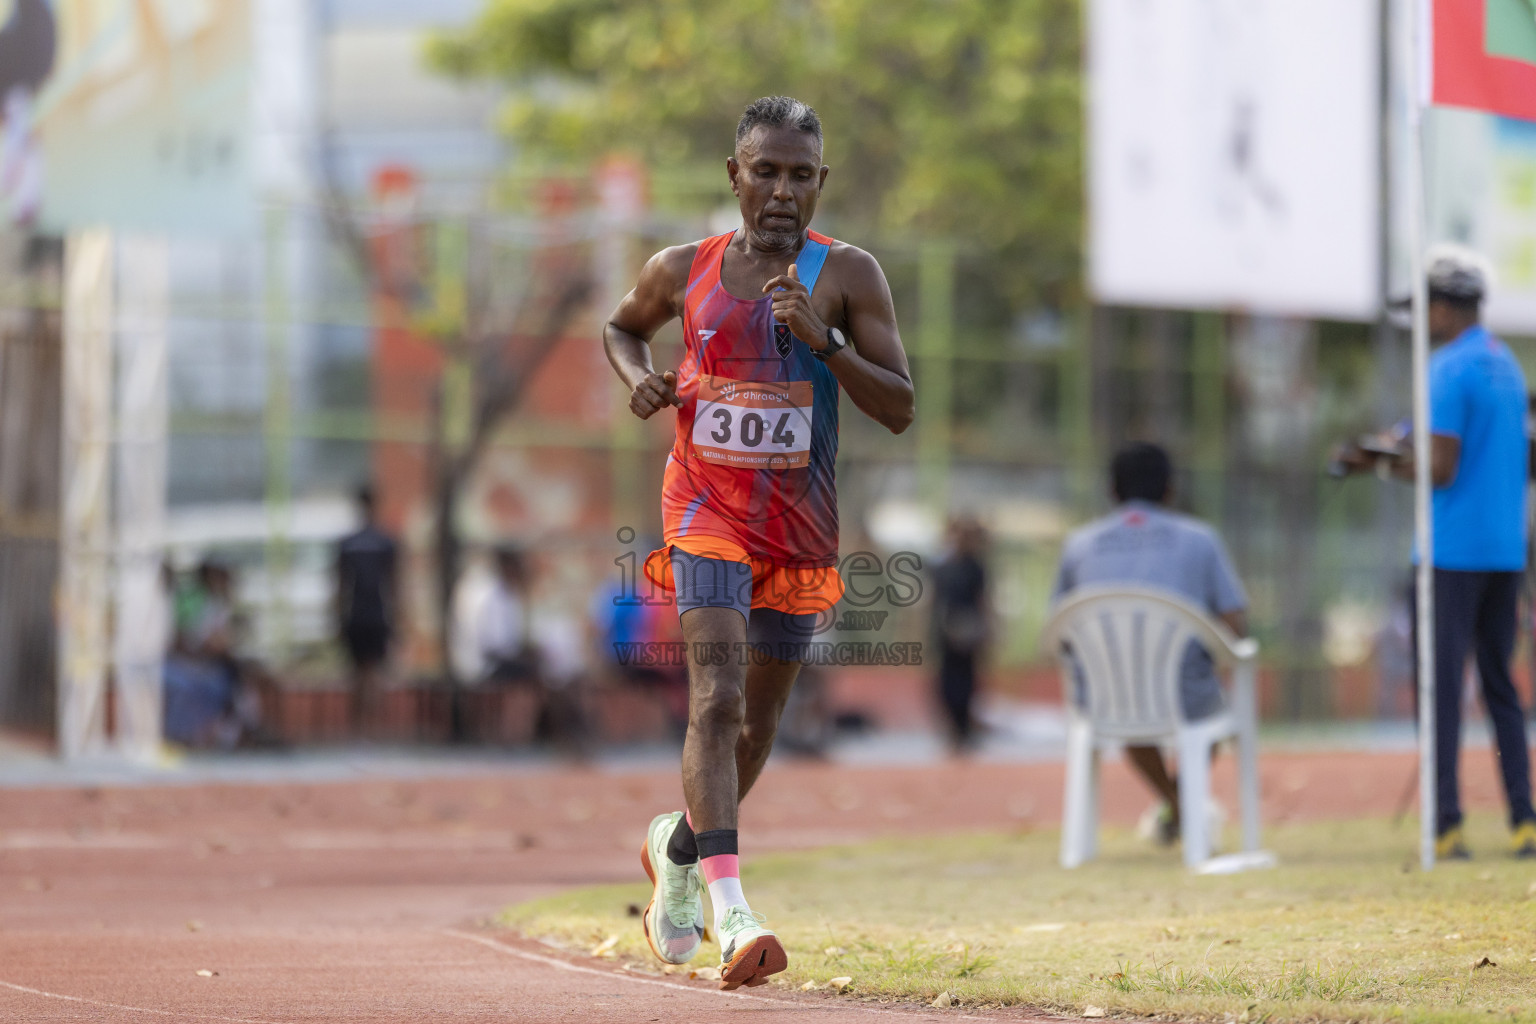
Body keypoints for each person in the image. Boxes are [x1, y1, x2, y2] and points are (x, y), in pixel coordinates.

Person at [603, 96, 913, 986]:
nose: (782, 191)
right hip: (703, 510)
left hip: (798, 525)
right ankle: (735, 914)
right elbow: (623, 327)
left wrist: (829, 345)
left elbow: (900, 407)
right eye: (765, 172)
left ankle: (680, 847)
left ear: (821, 184)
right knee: (718, 697)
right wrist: (639, 378)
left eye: (800, 176)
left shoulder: (849, 274)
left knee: (760, 722)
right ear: (733, 176)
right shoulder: (681, 268)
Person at [1335, 245, 1536, 859]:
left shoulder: (1447, 369)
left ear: (1446, 307)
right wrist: (1394, 449)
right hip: (1505, 552)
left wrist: (1375, 466)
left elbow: (1440, 469)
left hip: (1450, 555)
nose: (1420, 320)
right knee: (1502, 688)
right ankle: (1524, 822)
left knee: (1441, 691)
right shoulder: (1506, 365)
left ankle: (1445, 825)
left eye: (1424, 307)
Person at [1051, 442, 1249, 846]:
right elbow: (1235, 625)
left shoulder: (1078, 545)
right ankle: (1184, 804)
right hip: (1187, 694)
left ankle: (1174, 804)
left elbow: (1060, 631)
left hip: (1106, 698)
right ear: (1170, 489)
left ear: (1112, 490)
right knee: (1211, 708)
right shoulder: (1201, 539)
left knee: (1125, 698)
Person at [335, 485, 399, 737]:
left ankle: (361, 729)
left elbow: (340, 585)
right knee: (371, 674)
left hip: (357, 614)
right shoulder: (385, 543)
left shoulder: (349, 544)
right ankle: (370, 729)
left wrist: (338, 616)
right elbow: (395, 584)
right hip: (375, 614)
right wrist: (397, 617)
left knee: (360, 675)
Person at [932, 516, 991, 753]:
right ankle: (953, 727)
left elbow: (982, 600)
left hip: (968, 631)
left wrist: (986, 628)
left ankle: (963, 727)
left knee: (966, 682)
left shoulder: (975, 567)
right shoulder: (943, 566)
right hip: (947, 631)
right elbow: (935, 601)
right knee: (948, 682)